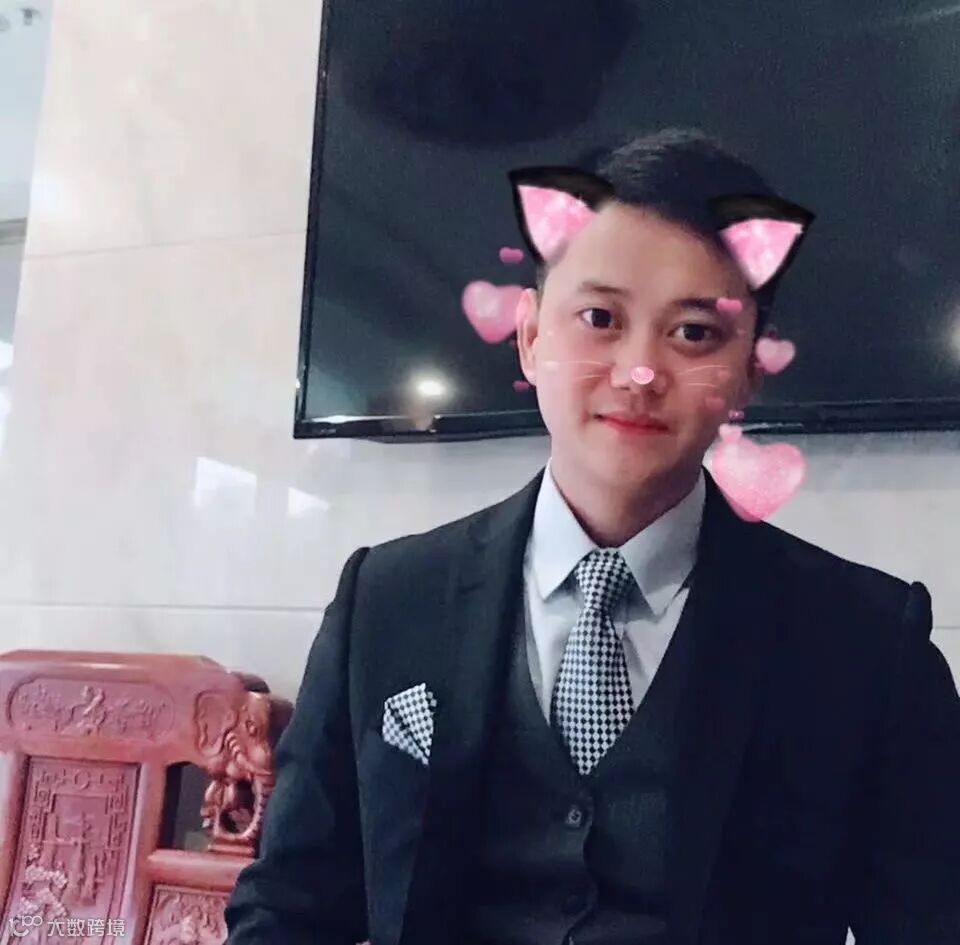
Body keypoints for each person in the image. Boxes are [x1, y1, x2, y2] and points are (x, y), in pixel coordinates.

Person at [224, 129, 960, 945]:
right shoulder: (386, 600)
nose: (640, 371)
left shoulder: (868, 642)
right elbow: (287, 908)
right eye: (600, 317)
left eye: (695, 332)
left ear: (749, 370)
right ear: (532, 336)